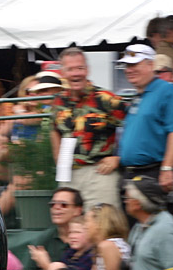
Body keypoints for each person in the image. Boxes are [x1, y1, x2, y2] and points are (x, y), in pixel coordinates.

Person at [51, 48, 126, 210]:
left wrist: (119, 158)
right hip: (68, 175)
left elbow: (133, 127)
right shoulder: (58, 102)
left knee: (104, 225)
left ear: (88, 70)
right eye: (70, 69)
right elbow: (55, 129)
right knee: (71, 227)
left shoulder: (107, 99)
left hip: (99, 173)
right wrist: (59, 160)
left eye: (80, 68)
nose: (76, 74)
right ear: (62, 72)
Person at [116, 44, 173, 197]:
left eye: (134, 64)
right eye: (127, 65)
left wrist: (167, 168)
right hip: (132, 174)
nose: (129, 69)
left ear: (150, 65)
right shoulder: (140, 94)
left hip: (151, 174)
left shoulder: (166, 91)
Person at [29, 216, 94, 270]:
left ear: (91, 234)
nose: (72, 236)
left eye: (77, 232)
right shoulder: (70, 252)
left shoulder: (90, 257)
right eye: (70, 232)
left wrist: (45, 264)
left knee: (56, 266)